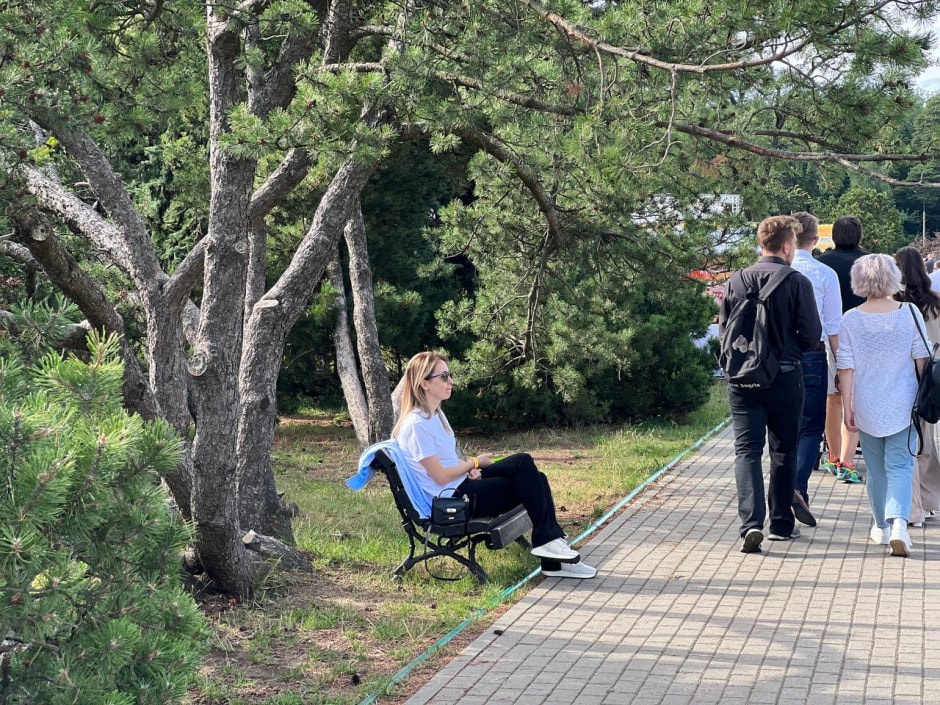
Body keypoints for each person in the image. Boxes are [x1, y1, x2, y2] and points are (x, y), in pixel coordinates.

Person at [391, 351, 597, 578]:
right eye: (444, 376)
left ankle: (552, 555)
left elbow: (447, 460)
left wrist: (471, 468)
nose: (451, 381)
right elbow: (439, 477)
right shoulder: (416, 425)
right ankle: (549, 543)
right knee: (529, 473)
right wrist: (473, 463)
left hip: (462, 484)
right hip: (454, 500)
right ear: (424, 383)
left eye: (449, 375)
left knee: (530, 470)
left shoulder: (435, 415)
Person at [719, 215, 821, 553]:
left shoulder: (736, 280)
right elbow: (811, 336)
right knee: (784, 450)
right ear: (788, 245)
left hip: (742, 378)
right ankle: (780, 523)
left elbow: (725, 331)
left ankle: (750, 523)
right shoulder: (796, 282)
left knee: (746, 450)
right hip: (786, 376)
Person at [838, 254, 930, 557]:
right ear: (893, 277)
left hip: (866, 403)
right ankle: (900, 524)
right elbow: (922, 360)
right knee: (902, 466)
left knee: (876, 471)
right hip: (904, 402)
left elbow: (845, 367)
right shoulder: (909, 313)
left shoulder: (851, 319)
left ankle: (880, 525)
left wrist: (848, 408)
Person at [789, 212, 842, 527]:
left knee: (783, 428)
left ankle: (789, 492)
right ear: (815, 239)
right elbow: (833, 325)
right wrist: (841, 364)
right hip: (812, 354)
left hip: (779, 355)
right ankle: (797, 486)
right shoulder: (825, 274)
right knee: (811, 427)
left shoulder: (780, 270)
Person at [817, 216, 870, 483]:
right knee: (856, 396)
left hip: (831, 336)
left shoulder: (822, 263)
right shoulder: (870, 262)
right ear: (859, 235)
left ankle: (832, 455)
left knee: (833, 398)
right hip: (863, 334)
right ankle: (849, 460)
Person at [894, 246, 940, 526]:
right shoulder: (935, 301)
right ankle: (930, 499)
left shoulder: (896, 303)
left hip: (904, 376)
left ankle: (915, 506)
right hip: (933, 379)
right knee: (927, 440)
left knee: (908, 443)